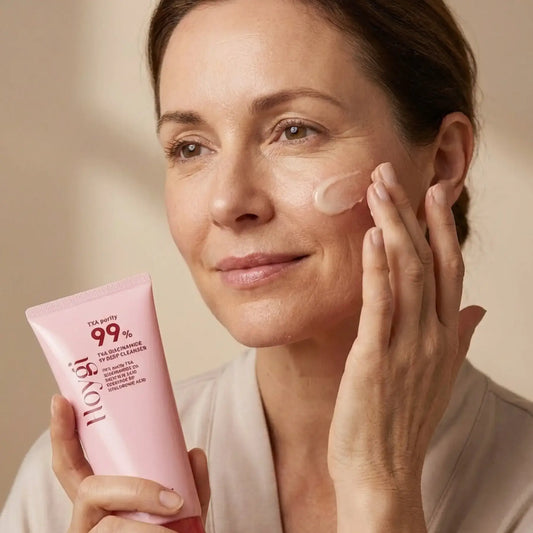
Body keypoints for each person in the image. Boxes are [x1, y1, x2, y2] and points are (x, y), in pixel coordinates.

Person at [2, 0, 533, 531]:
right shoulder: (81, 495)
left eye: (295, 130)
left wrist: (381, 486)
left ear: (443, 160)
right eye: (190, 147)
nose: (228, 202)